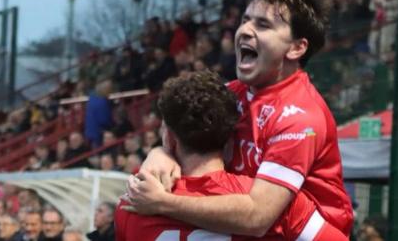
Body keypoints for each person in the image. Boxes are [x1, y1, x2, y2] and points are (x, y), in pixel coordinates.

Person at [127, 0, 353, 239]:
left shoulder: (301, 118)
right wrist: (160, 153)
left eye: (263, 25)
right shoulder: (233, 93)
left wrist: (164, 202)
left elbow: (257, 216)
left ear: (296, 48)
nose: (245, 30)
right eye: (245, 20)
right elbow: (176, 123)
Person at [117, 71, 346, 241]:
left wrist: (158, 151)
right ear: (230, 138)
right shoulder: (275, 204)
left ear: (169, 137)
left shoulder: (136, 201)